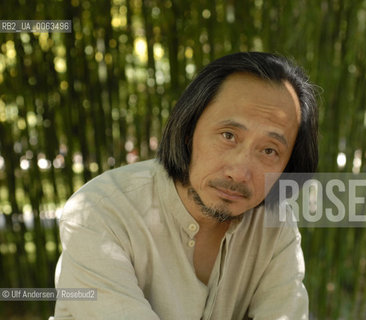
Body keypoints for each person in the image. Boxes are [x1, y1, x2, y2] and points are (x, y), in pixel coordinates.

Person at [53, 51, 319, 320]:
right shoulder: (101, 212)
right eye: (228, 135)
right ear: (189, 130)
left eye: (269, 151)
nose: (239, 173)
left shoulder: (273, 225)